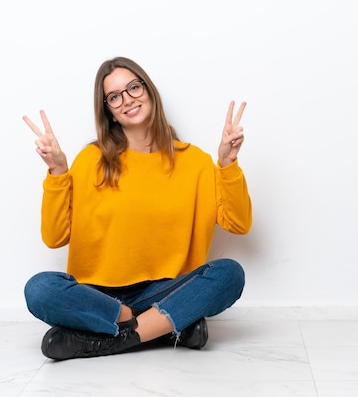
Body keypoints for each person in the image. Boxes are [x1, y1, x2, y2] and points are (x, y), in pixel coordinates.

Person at [22, 57, 252, 361]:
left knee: (229, 274)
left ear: (149, 91)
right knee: (39, 289)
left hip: (164, 289)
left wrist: (226, 164)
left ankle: (114, 338)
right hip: (98, 295)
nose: (127, 99)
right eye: (115, 97)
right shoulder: (91, 160)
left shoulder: (195, 162)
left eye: (133, 87)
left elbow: (239, 223)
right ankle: (166, 325)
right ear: (110, 113)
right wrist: (58, 173)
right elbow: (54, 237)